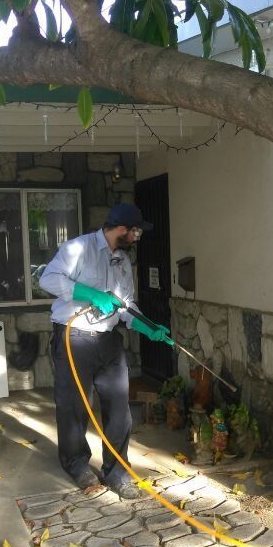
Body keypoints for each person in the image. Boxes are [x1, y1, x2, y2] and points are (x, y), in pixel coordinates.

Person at [39, 203, 173, 499]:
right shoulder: (79, 248)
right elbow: (47, 279)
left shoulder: (123, 261)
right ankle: (76, 465)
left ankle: (117, 472)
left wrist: (148, 326)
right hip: (74, 338)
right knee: (74, 406)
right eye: (136, 231)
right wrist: (90, 294)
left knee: (119, 410)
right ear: (123, 229)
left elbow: (126, 306)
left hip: (108, 341)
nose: (138, 236)